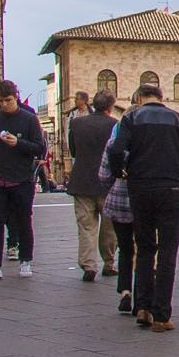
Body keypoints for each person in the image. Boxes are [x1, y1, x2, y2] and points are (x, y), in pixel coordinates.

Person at [104, 80, 179, 330]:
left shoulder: (131, 118)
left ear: (139, 99)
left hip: (141, 188)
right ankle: (161, 315)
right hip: (172, 188)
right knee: (168, 252)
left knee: (145, 247)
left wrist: (121, 172)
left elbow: (116, 150)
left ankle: (143, 306)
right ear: (161, 97)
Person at [0, 81, 46, 282]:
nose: (4, 104)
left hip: (22, 179)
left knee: (24, 220)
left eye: (8, 100)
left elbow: (39, 148)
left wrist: (18, 143)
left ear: (16, 98)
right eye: (1, 101)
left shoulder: (29, 119)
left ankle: (25, 260)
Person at [66, 90, 119, 283]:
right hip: (107, 183)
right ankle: (109, 263)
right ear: (110, 106)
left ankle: (88, 265)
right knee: (109, 228)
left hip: (82, 181)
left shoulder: (76, 124)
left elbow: (73, 151)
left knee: (86, 226)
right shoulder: (115, 125)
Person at [98, 110, 136, 316]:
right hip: (144, 200)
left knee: (125, 247)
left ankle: (125, 291)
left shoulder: (114, 143)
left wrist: (115, 185)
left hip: (119, 201)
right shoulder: (148, 143)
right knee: (146, 248)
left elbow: (104, 175)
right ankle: (143, 296)